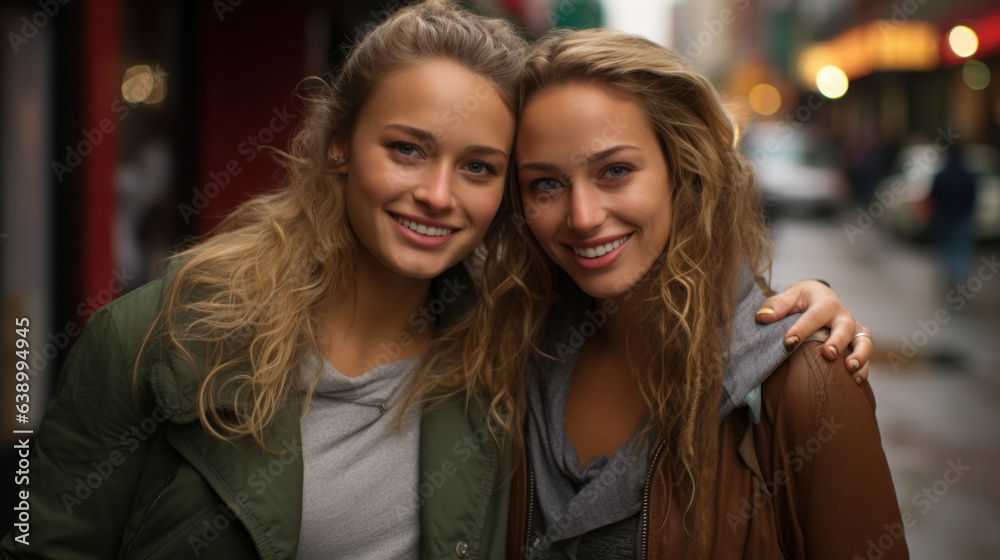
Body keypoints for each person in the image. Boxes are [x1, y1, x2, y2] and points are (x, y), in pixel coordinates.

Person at [3, 4, 872, 559]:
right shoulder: (155, 337)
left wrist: (791, 319)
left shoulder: (499, 346)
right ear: (340, 143)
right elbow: (36, 537)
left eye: (481, 167)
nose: (436, 194)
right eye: (407, 148)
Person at [413, 28, 902, 560]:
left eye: (616, 171)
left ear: (680, 168)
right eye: (546, 184)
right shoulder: (509, 348)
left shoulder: (809, 380)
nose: (583, 217)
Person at [929, 142, 977, 289]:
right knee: (960, 249)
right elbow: (972, 195)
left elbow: (934, 195)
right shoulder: (967, 174)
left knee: (946, 250)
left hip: (944, 218)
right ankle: (959, 279)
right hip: (961, 217)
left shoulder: (942, 175)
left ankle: (951, 278)